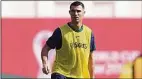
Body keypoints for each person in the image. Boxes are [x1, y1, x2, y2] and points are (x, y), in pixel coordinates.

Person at [41, 1, 96, 79]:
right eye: (73, 11)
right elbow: (45, 48)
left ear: (84, 13)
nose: (75, 14)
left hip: (80, 76)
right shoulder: (60, 31)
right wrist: (45, 63)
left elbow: (91, 59)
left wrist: (92, 76)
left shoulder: (89, 33)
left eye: (78, 11)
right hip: (61, 73)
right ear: (69, 13)